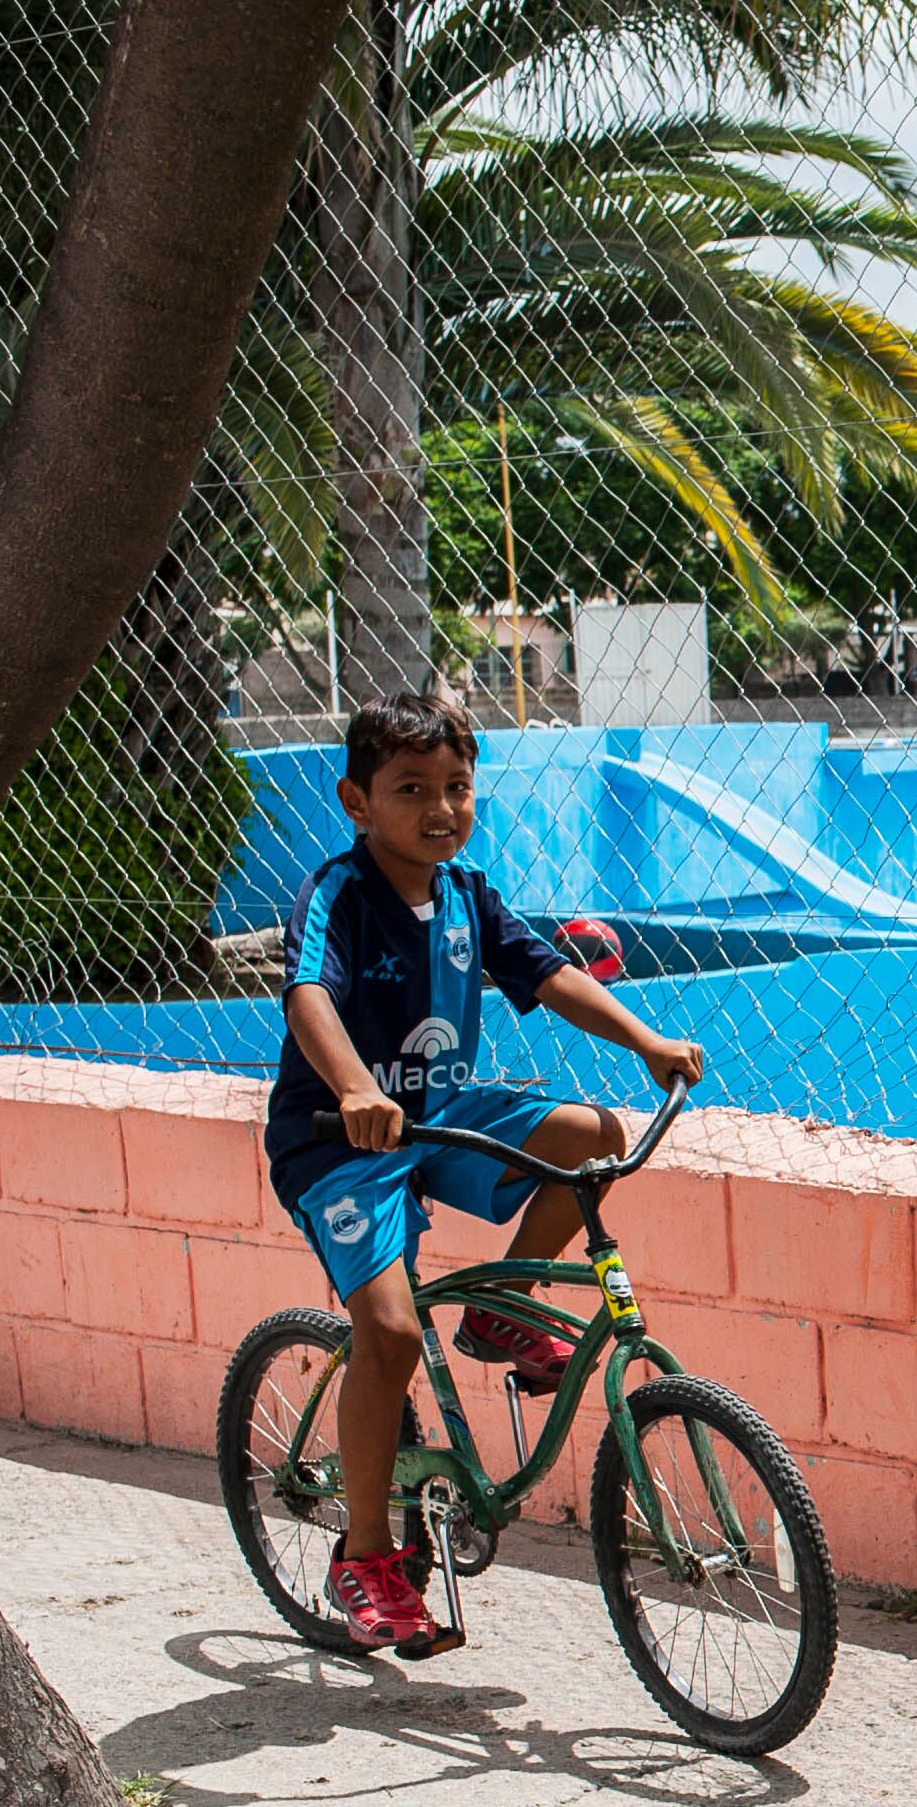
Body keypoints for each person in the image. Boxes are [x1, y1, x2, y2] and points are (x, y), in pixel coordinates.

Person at [269, 695, 704, 1655]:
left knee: (592, 1135)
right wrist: (352, 1089)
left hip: (440, 1116)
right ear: (357, 800)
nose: (440, 808)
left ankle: (499, 1314)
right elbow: (308, 995)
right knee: (385, 1331)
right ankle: (368, 1555)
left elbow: (549, 975)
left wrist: (645, 1040)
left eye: (458, 787)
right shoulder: (336, 895)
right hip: (339, 1140)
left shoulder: (469, 894)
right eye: (411, 789)